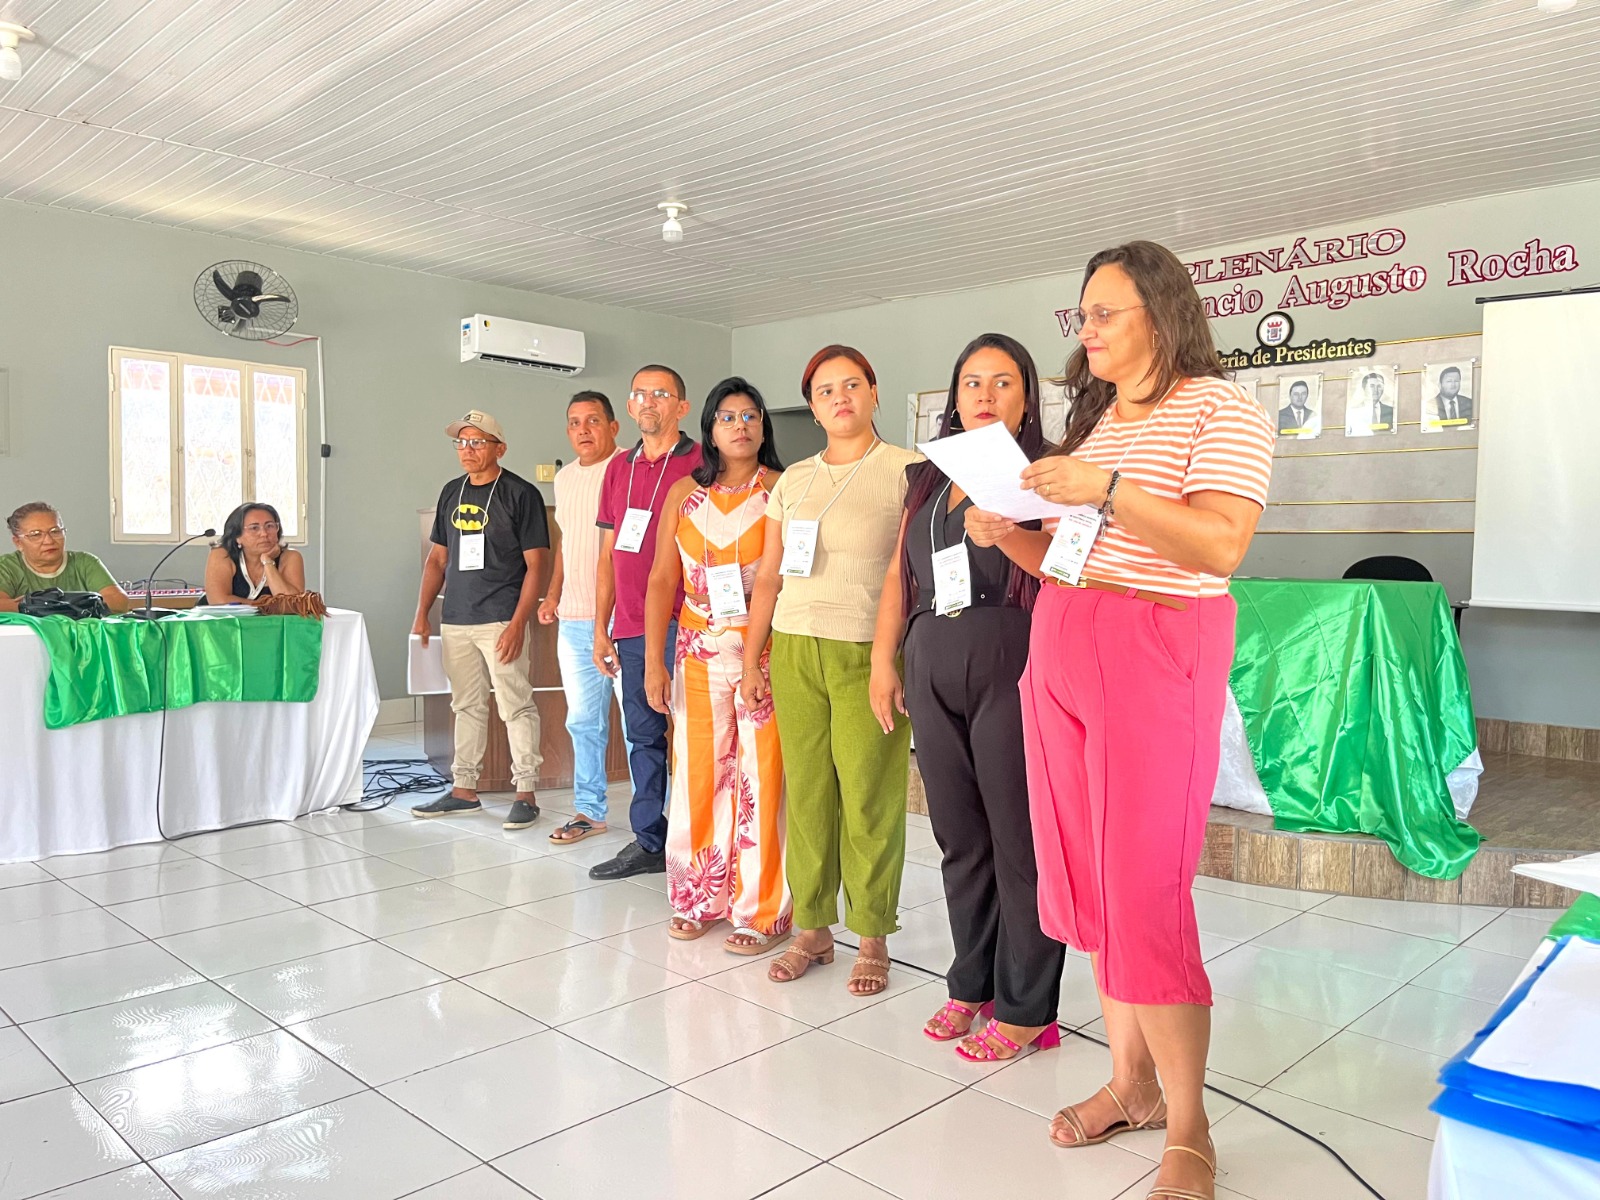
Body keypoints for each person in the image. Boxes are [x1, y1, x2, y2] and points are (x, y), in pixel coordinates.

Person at [965, 241, 1272, 1200]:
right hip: (1062, 644)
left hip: (1155, 652)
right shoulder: (1097, 425)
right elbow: (1077, 556)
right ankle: (1130, 1083)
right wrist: (1009, 530)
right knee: (1087, 880)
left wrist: (1102, 488)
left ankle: (1190, 1126)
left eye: (1106, 314)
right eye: (1084, 314)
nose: (1086, 331)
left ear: (1163, 315)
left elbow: (1221, 542)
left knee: (1143, 883)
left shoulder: (1219, 407)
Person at [869, 333, 1066, 1060]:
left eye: (1003, 382)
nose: (984, 395)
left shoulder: (1045, 475)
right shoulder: (925, 477)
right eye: (972, 382)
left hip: (1011, 658)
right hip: (930, 656)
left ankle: (1027, 1008)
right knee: (959, 837)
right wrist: (884, 663)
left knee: (1019, 841)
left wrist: (1012, 530)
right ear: (954, 395)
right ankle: (971, 984)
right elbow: (899, 578)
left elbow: (1064, 571)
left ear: (1026, 397)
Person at [741, 345, 920, 996]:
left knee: (870, 792)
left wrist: (893, 659)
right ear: (813, 408)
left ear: (874, 393)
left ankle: (872, 933)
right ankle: (812, 928)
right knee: (809, 794)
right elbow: (768, 575)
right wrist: (752, 658)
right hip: (793, 646)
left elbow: (914, 574)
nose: (839, 397)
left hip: (868, 651)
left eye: (851, 385)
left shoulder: (908, 472)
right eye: (824, 390)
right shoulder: (793, 480)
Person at [643, 377, 791, 952]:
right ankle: (697, 896)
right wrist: (655, 663)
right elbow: (661, 579)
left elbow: (787, 578)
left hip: (765, 654)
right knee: (700, 773)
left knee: (761, 778)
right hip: (697, 649)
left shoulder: (782, 488)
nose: (740, 425)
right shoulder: (684, 492)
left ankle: (761, 910)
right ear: (708, 428)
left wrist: (756, 655)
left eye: (751, 415)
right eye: (727, 416)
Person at [588, 366, 704, 879]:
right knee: (644, 736)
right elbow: (608, 552)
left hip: (694, 622)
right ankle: (649, 840)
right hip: (632, 626)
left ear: (681, 406)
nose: (649, 401)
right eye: (640, 393)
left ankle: (699, 841)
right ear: (630, 407)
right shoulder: (618, 469)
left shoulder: (704, 461)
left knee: (701, 737)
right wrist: (600, 625)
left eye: (662, 393)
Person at [411, 410, 551, 831]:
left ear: (499, 448)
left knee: (515, 704)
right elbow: (438, 558)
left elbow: (537, 565)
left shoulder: (520, 494)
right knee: (465, 705)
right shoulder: (451, 492)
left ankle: (525, 792)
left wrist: (516, 622)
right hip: (456, 618)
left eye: (477, 442)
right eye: (461, 442)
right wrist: (422, 613)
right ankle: (463, 790)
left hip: (499, 619)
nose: (467, 450)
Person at [539, 391, 626, 845]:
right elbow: (567, 545)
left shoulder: (630, 468)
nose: (583, 430)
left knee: (639, 726)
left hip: (624, 620)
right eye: (575, 423)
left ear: (614, 427)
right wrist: (553, 594)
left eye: (593, 421)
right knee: (583, 721)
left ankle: (656, 820)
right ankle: (589, 812)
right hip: (574, 620)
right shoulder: (567, 477)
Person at [0, 503, 132, 613]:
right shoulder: (7, 566)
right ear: (18, 542)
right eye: (36, 535)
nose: (48, 541)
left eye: (55, 531)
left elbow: (119, 601)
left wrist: (53, 606)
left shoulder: (85, 562)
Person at [204, 502, 306, 604]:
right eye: (254, 528)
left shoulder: (290, 557)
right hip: (231, 620)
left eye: (269, 526)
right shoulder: (222, 555)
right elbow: (218, 601)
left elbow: (293, 604)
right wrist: (264, 607)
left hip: (276, 621)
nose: (264, 534)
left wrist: (268, 561)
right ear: (237, 536)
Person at [1346, 371, 1394, 435]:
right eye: (1371, 386)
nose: (1375, 390)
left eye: (1379, 386)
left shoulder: (1391, 411)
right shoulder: (1354, 411)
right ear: (1364, 387)